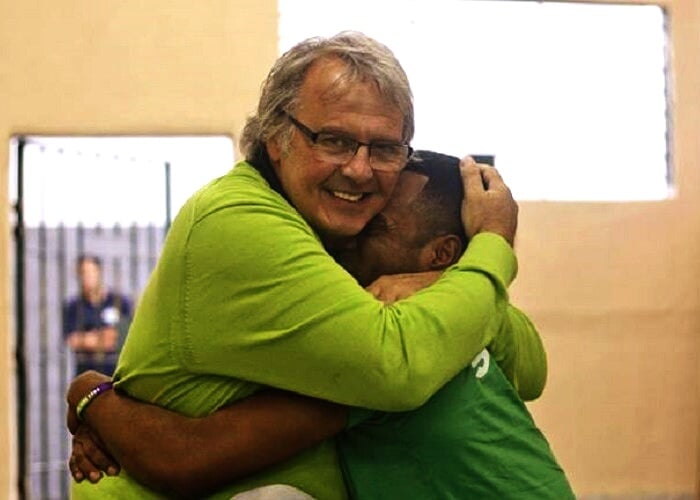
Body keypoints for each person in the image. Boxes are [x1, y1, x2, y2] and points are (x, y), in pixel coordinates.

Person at [69, 31, 522, 499]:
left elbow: (527, 362)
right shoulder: (240, 221)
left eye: (385, 148)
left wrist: (437, 283)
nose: (360, 169)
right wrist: (491, 245)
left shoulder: (342, 238)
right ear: (276, 137)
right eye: (334, 140)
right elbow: (396, 369)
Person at [67, 151, 575, 499]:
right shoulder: (462, 315)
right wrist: (454, 277)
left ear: (441, 253)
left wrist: (92, 396)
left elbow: (183, 457)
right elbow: (527, 363)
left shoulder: (394, 346)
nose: (348, 229)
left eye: (376, 224)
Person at [62, 254, 133, 376]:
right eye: (83, 273)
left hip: (115, 375)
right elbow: (72, 340)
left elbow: (120, 339)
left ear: (99, 272)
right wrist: (102, 336)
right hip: (86, 375)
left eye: (91, 272)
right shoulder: (73, 306)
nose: (87, 277)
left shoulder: (120, 302)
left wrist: (87, 338)